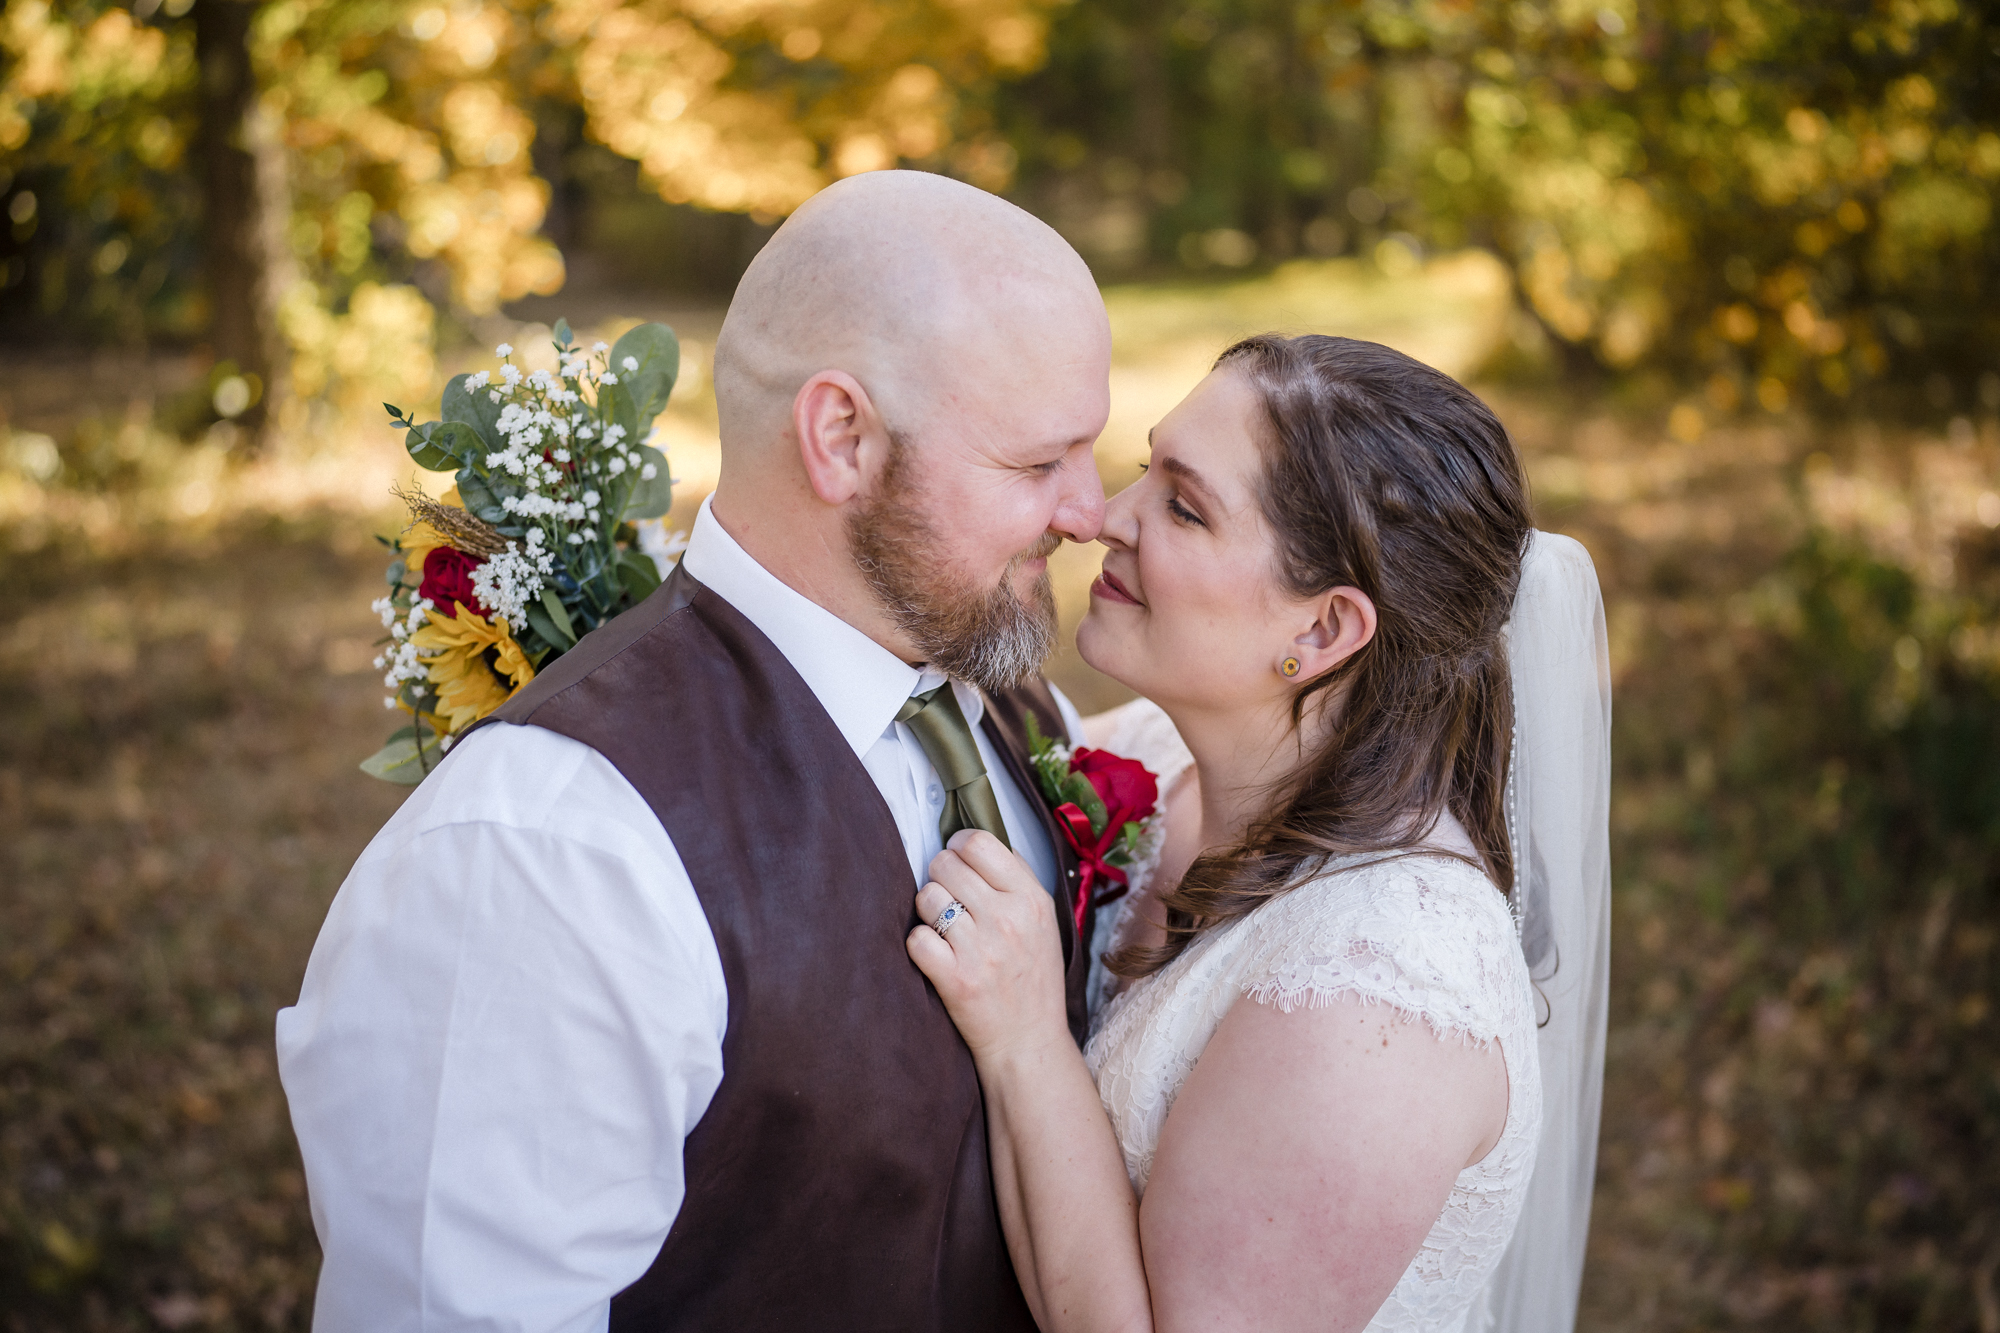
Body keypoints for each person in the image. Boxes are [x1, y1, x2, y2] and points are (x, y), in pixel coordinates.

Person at [275, 170, 1117, 1331]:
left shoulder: (1015, 713)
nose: (1095, 509)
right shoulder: (546, 855)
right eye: (1038, 464)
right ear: (842, 439)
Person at [907, 334, 1612, 1332]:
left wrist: (1024, 1042)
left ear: (1320, 632)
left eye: (1183, 506)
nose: (1105, 516)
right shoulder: (1162, 757)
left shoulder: (1380, 995)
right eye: (1145, 468)